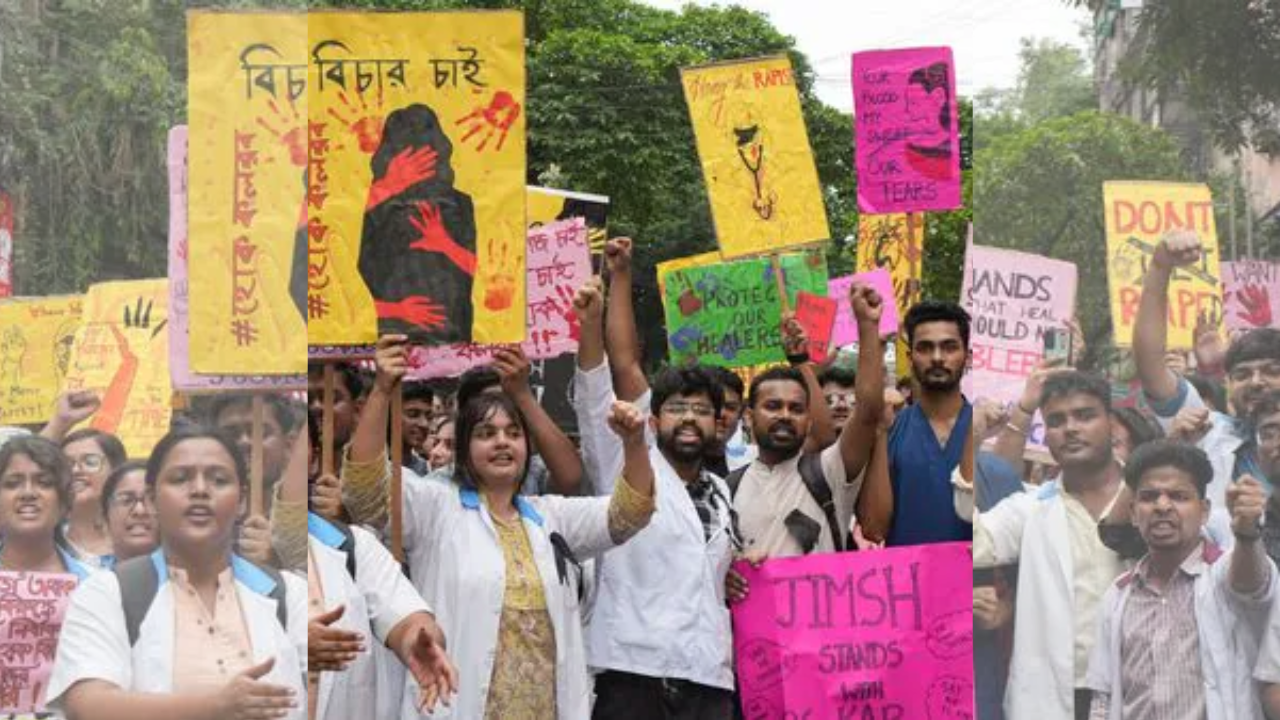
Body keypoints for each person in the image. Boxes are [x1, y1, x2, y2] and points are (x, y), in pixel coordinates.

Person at [342, 337, 658, 719]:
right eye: (486, 434)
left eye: (513, 433)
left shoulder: (550, 517)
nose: (502, 442)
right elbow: (365, 489)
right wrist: (381, 391)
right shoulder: (435, 506)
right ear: (463, 446)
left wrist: (635, 443)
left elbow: (630, 513)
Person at [47, 427, 308, 720]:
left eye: (218, 480)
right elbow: (88, 705)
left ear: (243, 500)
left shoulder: (289, 593)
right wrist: (216, 707)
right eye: (180, 479)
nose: (199, 490)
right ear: (152, 498)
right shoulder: (107, 594)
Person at [571, 273, 739, 718]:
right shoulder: (626, 464)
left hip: (707, 673)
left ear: (718, 424)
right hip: (633, 672)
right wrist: (590, 325)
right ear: (652, 421)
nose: (689, 419)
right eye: (677, 409)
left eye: (702, 410)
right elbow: (593, 398)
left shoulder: (721, 491)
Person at [975, 371, 1128, 720]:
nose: (1070, 428)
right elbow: (967, 542)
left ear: (1111, 423)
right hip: (1052, 701)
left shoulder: (1151, 500)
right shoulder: (1029, 508)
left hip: (1137, 693)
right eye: (1056, 421)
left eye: (1085, 415)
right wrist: (970, 441)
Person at [1086, 442, 1274, 720]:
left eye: (1179, 496)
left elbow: (1253, 586)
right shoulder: (1117, 595)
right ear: (1133, 513)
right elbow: (1103, 696)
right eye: (1149, 497)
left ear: (1205, 511)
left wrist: (1247, 534)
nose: (1162, 506)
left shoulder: (1225, 572)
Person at [1133, 228, 1280, 546]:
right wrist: (1160, 269)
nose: (1256, 382)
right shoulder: (1205, 430)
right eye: (1242, 374)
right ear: (1227, 384)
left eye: (1271, 371)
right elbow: (1151, 365)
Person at [729, 283, 886, 559]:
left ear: (809, 419)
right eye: (773, 406)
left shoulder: (828, 472)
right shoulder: (727, 489)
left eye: (796, 408)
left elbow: (867, 412)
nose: (785, 415)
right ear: (749, 416)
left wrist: (868, 326)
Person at [358, 103, 478, 340]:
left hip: (453, 342)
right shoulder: (370, 210)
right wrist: (396, 311)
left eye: (426, 153)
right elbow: (341, 287)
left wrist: (444, 243)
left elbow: (480, 272)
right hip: (387, 342)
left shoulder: (459, 203)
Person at [876, 300, 974, 546]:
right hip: (907, 582)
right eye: (925, 348)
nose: (938, 358)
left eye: (949, 347)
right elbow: (874, 527)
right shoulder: (890, 430)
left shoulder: (987, 433)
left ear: (968, 357)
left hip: (971, 582)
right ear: (910, 358)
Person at [0, 435, 94, 579]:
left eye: (44, 483)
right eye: (13, 483)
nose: (28, 493)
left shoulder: (97, 584)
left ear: (64, 502)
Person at [59, 428, 128, 569]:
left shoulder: (141, 539)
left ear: (116, 470)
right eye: (67, 464)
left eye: (90, 462)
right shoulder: (45, 544)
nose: (76, 470)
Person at [99, 460, 158, 564]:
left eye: (151, 499)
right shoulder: (88, 579)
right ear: (105, 520)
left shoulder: (192, 576)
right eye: (126, 500)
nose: (140, 511)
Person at [400, 381, 434, 476]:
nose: (424, 424)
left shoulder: (425, 469)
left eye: (429, 416)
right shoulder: (373, 465)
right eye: (413, 414)